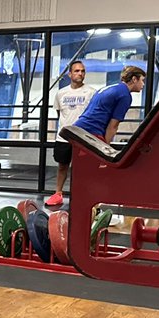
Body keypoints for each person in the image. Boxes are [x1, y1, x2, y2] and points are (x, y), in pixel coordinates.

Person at [45, 59, 98, 207]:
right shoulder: (61, 93)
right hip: (64, 138)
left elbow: (94, 114)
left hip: (83, 138)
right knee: (62, 166)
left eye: (82, 71)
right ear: (70, 74)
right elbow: (59, 114)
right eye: (77, 71)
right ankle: (58, 194)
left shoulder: (92, 92)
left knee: (81, 169)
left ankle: (82, 196)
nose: (80, 73)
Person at [72, 65, 147, 144]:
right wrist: (105, 148)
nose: (143, 84)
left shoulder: (110, 88)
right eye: (142, 80)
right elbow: (113, 126)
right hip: (91, 132)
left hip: (78, 128)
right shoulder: (125, 95)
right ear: (134, 79)